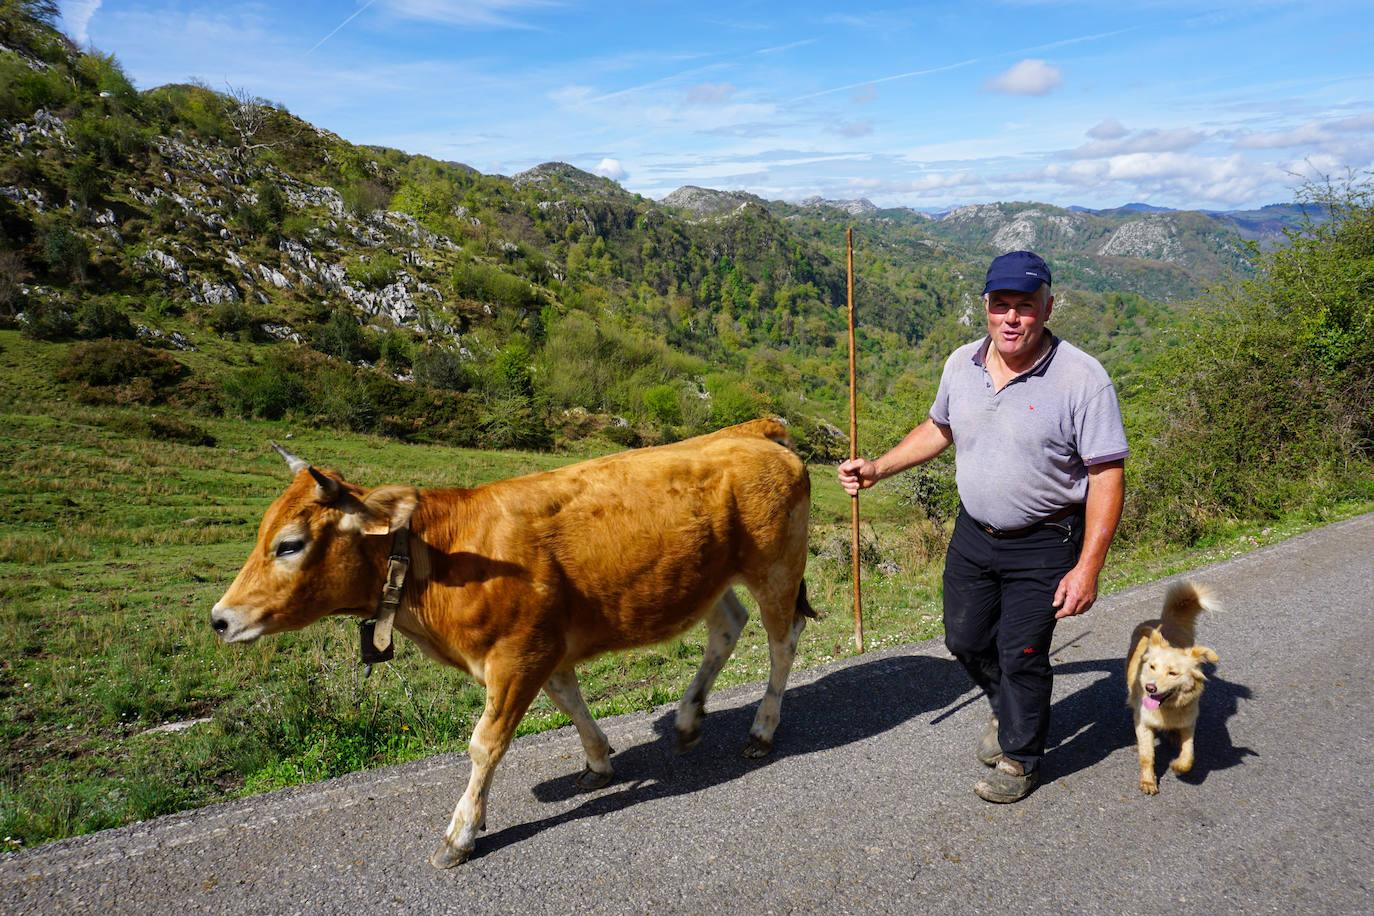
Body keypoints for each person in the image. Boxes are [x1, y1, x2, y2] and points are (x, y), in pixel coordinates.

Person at [838, 250, 1127, 803]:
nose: (1011, 318)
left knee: (1022, 652)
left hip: (1045, 541)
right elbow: (938, 428)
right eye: (1001, 306)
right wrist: (877, 468)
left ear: (1047, 306)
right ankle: (1008, 707)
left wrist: (1089, 567)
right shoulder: (960, 364)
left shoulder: (1082, 379)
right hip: (974, 535)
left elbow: (1106, 475)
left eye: (1025, 305)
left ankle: (1020, 757)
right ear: (986, 308)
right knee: (964, 639)